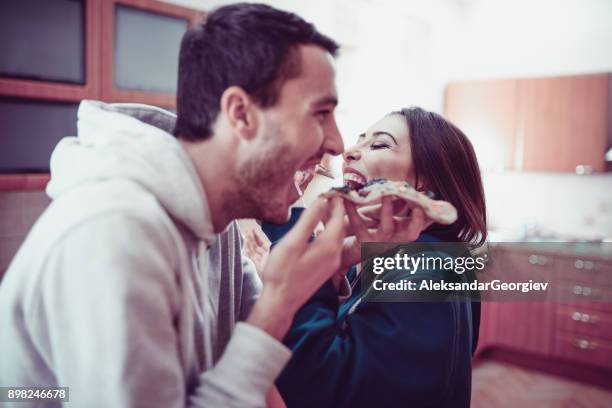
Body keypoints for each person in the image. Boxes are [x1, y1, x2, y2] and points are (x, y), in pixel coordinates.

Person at [0, 3, 349, 407]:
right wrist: (279, 300)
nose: (338, 145)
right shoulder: (114, 230)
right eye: (320, 114)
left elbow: (252, 358)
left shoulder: (217, 224)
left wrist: (343, 265)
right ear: (240, 115)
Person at [257, 107, 487, 407]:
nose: (349, 152)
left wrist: (303, 268)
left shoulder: (426, 272)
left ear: (425, 186)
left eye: (379, 144)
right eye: (359, 141)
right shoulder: (384, 257)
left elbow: (324, 391)